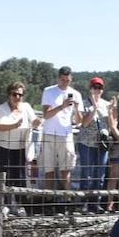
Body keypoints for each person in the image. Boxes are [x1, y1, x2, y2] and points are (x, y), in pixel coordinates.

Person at [0, 81, 37, 217]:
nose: (17, 97)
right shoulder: (2, 108)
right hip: (4, 147)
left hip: (20, 148)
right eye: (14, 94)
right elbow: (1, 126)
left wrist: (37, 122)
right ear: (9, 95)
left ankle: (21, 205)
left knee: (20, 178)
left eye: (20, 94)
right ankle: (5, 205)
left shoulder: (26, 107)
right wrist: (15, 125)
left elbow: (34, 121)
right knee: (5, 177)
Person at [39, 66, 79, 196]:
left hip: (66, 134)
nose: (65, 83)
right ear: (58, 78)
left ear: (71, 79)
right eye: (62, 80)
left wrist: (77, 109)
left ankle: (66, 200)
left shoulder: (76, 94)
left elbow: (78, 121)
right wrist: (62, 106)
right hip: (49, 133)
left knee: (66, 170)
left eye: (67, 80)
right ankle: (49, 200)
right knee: (49, 170)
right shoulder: (48, 91)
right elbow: (46, 115)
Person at [78, 77, 111, 212]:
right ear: (90, 88)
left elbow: (111, 124)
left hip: (101, 144)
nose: (97, 90)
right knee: (86, 174)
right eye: (95, 87)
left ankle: (94, 203)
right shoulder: (84, 103)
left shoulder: (107, 104)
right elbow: (84, 123)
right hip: (86, 143)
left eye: (99, 88)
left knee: (100, 175)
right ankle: (82, 204)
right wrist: (94, 109)